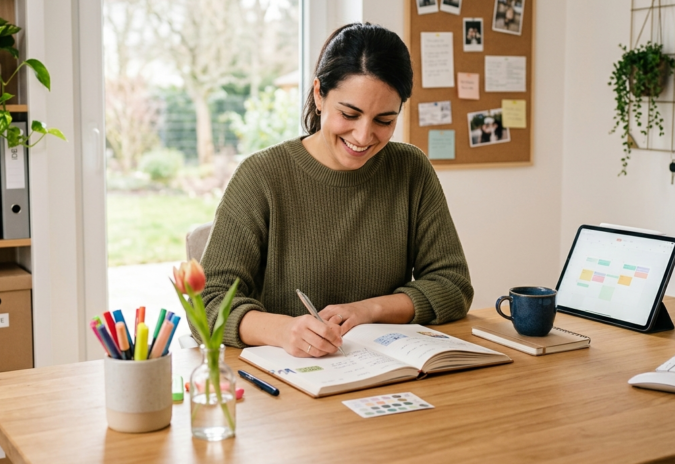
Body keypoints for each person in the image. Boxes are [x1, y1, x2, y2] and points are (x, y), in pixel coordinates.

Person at [195, 23, 473, 358]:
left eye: (384, 121)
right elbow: (207, 303)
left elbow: (452, 284)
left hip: (386, 371)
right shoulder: (261, 176)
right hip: (288, 376)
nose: (363, 136)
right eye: (349, 114)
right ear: (319, 94)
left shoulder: (410, 169)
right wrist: (283, 331)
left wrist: (367, 310)